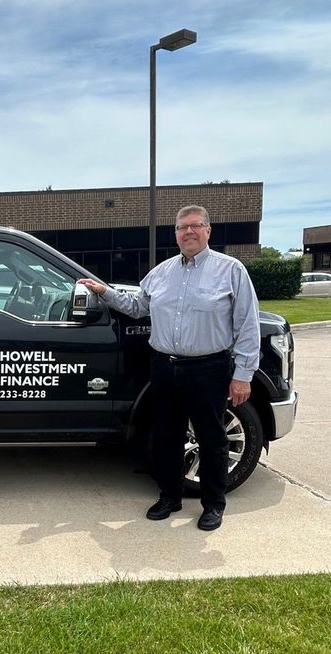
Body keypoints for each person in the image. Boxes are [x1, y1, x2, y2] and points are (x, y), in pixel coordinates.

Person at [77, 205, 260, 531]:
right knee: (166, 436)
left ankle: (213, 504)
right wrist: (104, 292)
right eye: (181, 228)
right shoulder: (161, 272)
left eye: (194, 226)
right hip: (164, 366)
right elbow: (137, 307)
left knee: (211, 438)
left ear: (208, 230)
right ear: (175, 233)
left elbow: (247, 325)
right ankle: (169, 496)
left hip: (209, 367)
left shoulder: (231, 270)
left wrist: (243, 375)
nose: (188, 232)